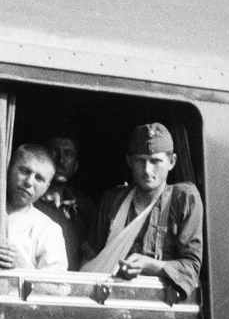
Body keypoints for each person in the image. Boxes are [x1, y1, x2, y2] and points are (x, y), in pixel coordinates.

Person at [85, 123, 203, 301]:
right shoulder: (112, 200)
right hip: (108, 302)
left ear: (172, 162)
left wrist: (148, 265)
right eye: (140, 161)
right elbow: (89, 261)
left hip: (160, 308)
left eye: (156, 161)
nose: (147, 170)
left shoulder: (183, 199)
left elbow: (191, 266)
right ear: (128, 161)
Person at [0, 145, 68, 271]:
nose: (29, 182)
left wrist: (23, 268)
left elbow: (57, 289)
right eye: (25, 171)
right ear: (9, 168)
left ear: (46, 187)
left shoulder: (49, 230)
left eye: (39, 178)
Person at [36, 134, 97, 270]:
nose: (61, 160)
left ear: (75, 166)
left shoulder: (84, 207)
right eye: (54, 152)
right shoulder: (29, 203)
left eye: (68, 154)